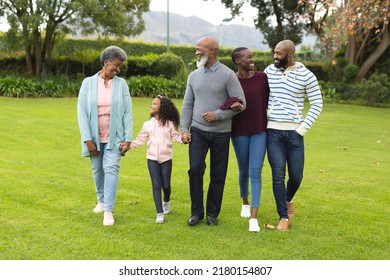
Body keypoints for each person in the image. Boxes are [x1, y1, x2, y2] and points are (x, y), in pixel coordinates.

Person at [180, 36, 246, 226]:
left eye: (200, 49)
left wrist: (218, 115)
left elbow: (241, 103)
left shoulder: (228, 75)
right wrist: (184, 129)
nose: (196, 52)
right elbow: (187, 105)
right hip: (198, 131)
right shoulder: (194, 76)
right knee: (195, 169)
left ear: (212, 51)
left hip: (221, 133)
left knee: (218, 174)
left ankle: (212, 214)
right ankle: (196, 212)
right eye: (196, 49)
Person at [264, 39, 323, 231]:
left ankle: (288, 199)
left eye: (278, 53)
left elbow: (317, 104)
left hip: (295, 133)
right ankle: (283, 217)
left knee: (296, 176)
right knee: (277, 175)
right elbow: (259, 95)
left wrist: (302, 129)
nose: (275, 56)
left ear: (290, 54)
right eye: (274, 52)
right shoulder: (268, 71)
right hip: (273, 131)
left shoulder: (307, 75)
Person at [77, 46, 133, 226]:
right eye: (116, 65)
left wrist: (127, 138)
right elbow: (82, 112)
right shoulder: (87, 83)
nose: (118, 69)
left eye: (120, 66)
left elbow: (127, 113)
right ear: (105, 62)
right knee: (97, 170)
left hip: (114, 136)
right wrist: (87, 139)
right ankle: (100, 201)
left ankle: (108, 210)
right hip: (93, 136)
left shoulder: (121, 84)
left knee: (111, 169)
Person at [230, 47, 269, 232]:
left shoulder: (262, 78)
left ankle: (254, 217)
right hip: (238, 131)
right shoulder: (231, 79)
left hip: (260, 130)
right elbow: (224, 101)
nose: (252, 59)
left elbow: (268, 100)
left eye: (252, 56)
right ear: (238, 61)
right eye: (248, 57)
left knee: (256, 171)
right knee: (243, 170)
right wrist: (232, 104)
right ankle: (244, 201)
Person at [129, 95, 182, 224]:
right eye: (151, 104)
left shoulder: (170, 124)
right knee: (156, 185)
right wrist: (127, 145)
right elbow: (140, 140)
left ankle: (166, 201)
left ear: (162, 107)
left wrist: (184, 139)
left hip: (166, 159)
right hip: (152, 159)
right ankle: (159, 213)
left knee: (166, 185)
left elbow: (176, 137)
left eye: (154, 104)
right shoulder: (147, 124)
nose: (151, 106)